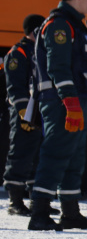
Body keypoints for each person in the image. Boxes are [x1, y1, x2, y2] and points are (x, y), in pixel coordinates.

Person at [28, 0, 87, 231]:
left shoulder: (73, 25)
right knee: (56, 153)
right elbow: (58, 68)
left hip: (76, 99)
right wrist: (70, 102)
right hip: (62, 102)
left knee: (75, 156)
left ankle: (70, 212)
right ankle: (39, 212)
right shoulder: (60, 26)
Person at [3, 14, 45, 215]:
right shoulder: (18, 53)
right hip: (25, 109)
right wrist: (22, 112)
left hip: (38, 108)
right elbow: (15, 86)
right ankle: (15, 202)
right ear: (33, 31)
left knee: (36, 153)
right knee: (20, 151)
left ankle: (35, 200)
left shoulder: (39, 51)